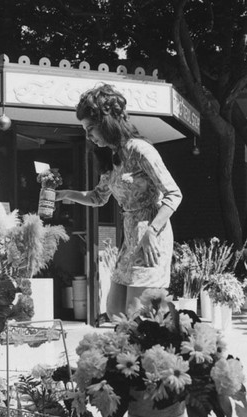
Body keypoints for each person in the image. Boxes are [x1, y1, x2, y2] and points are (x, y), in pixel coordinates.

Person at [55, 83, 182, 319]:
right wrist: (65, 194)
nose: (88, 136)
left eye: (91, 128)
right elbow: (97, 197)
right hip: (130, 235)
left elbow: (174, 194)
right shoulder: (111, 157)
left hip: (151, 235)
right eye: (85, 129)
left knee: (137, 315)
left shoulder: (140, 150)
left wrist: (151, 231)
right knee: (115, 312)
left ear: (107, 122)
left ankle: (169, 340)